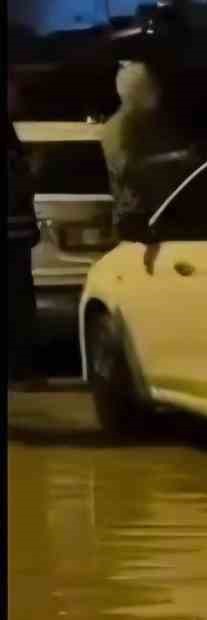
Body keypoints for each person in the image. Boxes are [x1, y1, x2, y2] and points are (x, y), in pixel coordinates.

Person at [101, 61, 192, 242]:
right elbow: (124, 167)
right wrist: (173, 158)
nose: (156, 90)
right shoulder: (118, 126)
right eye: (149, 85)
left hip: (159, 211)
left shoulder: (152, 123)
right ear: (137, 90)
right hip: (136, 217)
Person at [7, 73, 41, 389]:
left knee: (19, 304)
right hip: (13, 237)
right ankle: (19, 370)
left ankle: (21, 369)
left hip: (17, 235)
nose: (17, 96)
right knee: (17, 304)